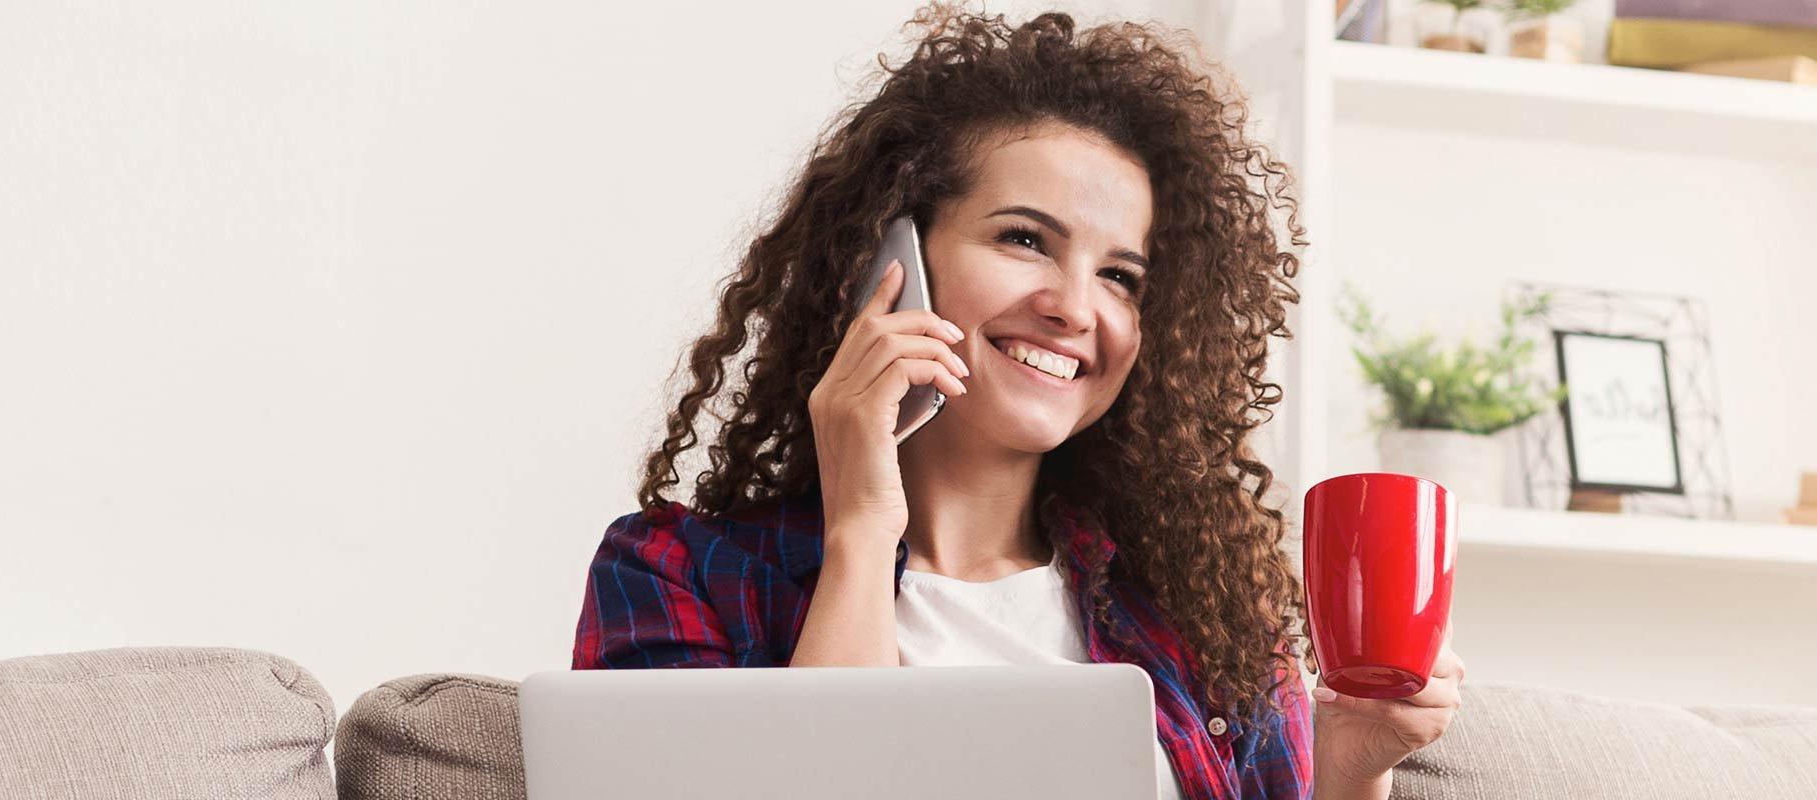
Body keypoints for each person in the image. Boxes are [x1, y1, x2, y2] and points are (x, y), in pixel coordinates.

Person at [568, 7, 1455, 799]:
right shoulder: (672, 574)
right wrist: (862, 531)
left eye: (1120, 276)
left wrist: (1348, 769)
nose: (1076, 307)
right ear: (889, 260)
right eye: (1025, 239)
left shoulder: (1205, 624)